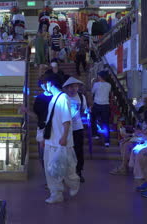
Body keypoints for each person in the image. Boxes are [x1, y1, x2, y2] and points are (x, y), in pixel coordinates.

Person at [43, 73, 80, 204]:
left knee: (67, 167)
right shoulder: (54, 99)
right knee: (51, 169)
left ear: (50, 84)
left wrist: (64, 136)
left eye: (47, 83)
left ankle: (74, 183)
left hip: (61, 141)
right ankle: (56, 193)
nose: (45, 85)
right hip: (51, 140)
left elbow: (66, 119)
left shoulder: (63, 98)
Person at [63, 77, 88, 183]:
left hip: (78, 128)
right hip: (65, 128)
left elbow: (83, 110)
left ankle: (78, 171)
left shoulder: (82, 97)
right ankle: (64, 172)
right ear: (67, 88)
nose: (74, 89)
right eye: (72, 87)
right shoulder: (63, 98)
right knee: (65, 151)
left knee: (78, 151)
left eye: (76, 86)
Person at [90, 71, 112, 147]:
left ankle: (95, 134)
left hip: (97, 104)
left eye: (98, 76)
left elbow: (92, 92)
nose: (98, 77)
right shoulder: (109, 85)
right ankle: (107, 141)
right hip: (105, 105)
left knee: (93, 119)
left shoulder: (96, 84)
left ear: (100, 76)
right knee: (106, 123)